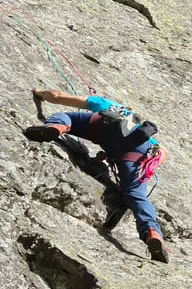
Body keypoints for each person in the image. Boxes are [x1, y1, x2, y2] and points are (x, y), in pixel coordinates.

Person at [24, 89, 169, 263]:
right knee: (135, 195)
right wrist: (133, 166)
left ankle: (55, 127)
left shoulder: (106, 104)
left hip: (101, 126)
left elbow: (56, 97)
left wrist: (39, 92)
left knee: (65, 116)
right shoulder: (143, 132)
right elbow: (163, 152)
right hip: (136, 149)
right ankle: (152, 233)